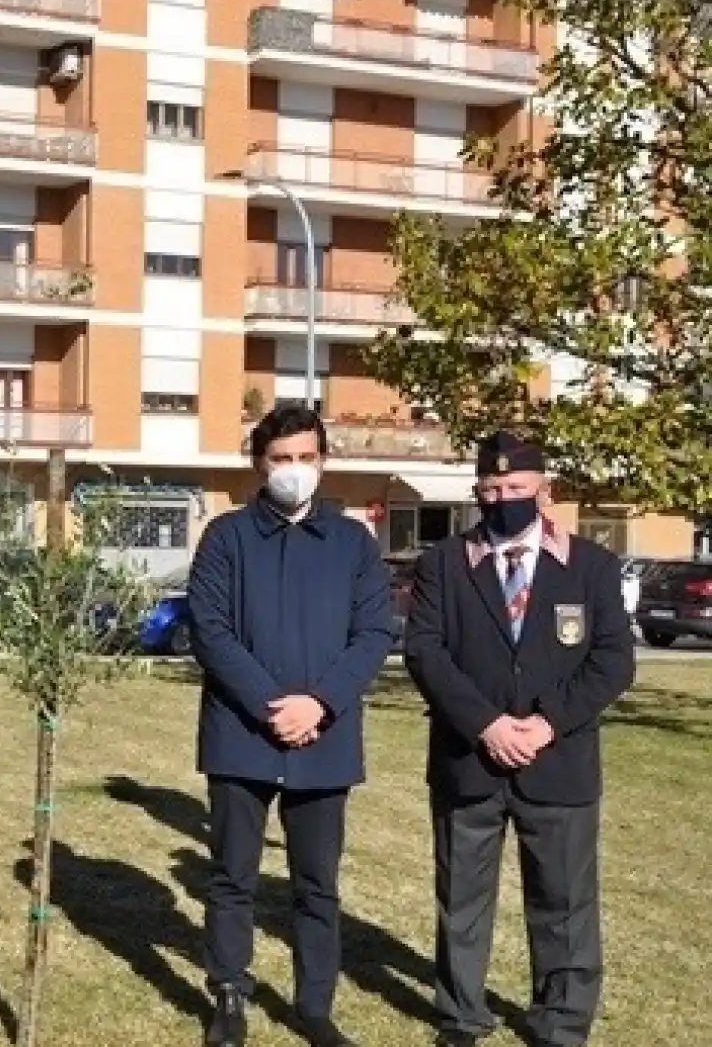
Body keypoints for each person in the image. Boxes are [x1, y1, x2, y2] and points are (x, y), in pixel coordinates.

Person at [403, 432, 635, 1047]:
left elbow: (613, 661)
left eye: (516, 489)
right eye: (491, 490)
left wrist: (545, 724)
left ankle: (560, 1019)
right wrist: (488, 724)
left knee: (565, 903)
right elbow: (425, 653)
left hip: (559, 762)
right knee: (463, 901)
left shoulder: (591, 566)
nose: (503, 499)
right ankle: (461, 1014)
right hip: (469, 761)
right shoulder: (444, 564)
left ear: (544, 490)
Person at [187, 404, 396, 1047]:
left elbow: (372, 634)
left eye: (306, 458)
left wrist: (321, 705)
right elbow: (211, 632)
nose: (294, 471)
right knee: (232, 877)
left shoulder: (355, 544)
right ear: (259, 463)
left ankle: (315, 1008)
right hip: (241, 737)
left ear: (324, 461)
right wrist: (272, 705)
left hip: (324, 742)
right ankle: (228, 995)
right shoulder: (225, 538)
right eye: (281, 460)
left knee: (317, 884)